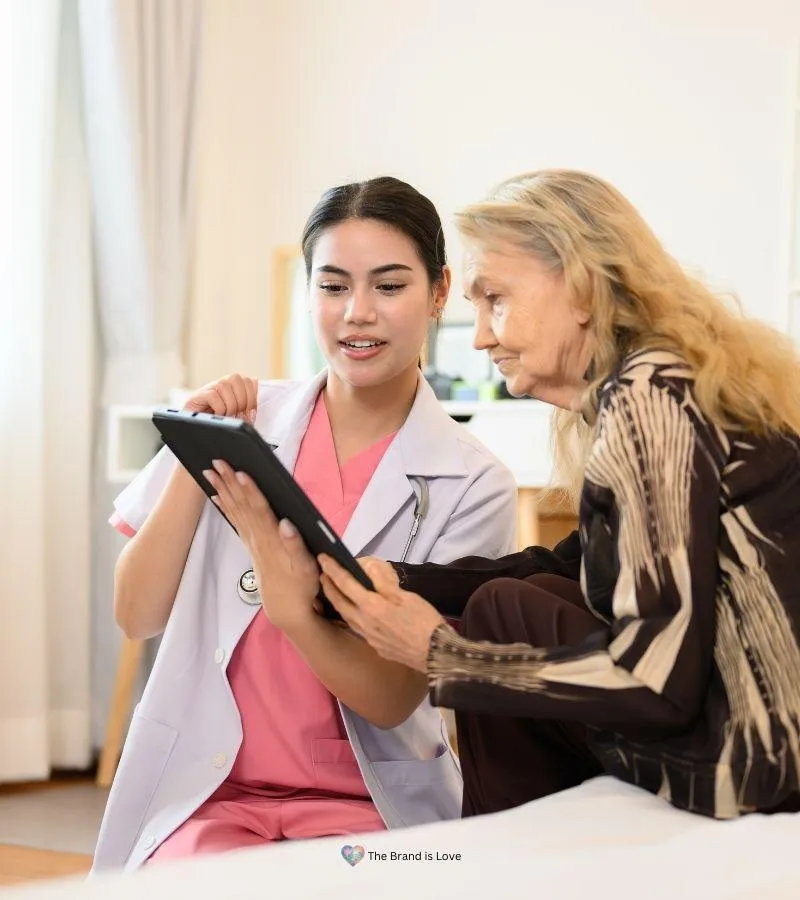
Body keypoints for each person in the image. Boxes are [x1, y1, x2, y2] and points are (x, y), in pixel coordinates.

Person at [316, 168, 800, 821]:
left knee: (502, 611)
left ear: (579, 288)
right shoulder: (662, 384)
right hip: (763, 741)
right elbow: (570, 563)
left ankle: (505, 856)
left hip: (756, 768)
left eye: (496, 300)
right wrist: (402, 580)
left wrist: (440, 653)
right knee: (523, 598)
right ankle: (520, 840)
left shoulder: (650, 404)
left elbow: (656, 685)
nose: (482, 335)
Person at [91, 176, 518, 873]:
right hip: (211, 795)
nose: (357, 315)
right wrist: (194, 452)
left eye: (389, 286)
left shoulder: (474, 483)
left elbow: (390, 697)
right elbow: (136, 613)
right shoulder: (237, 420)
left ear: (440, 292)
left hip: (368, 811)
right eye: (332, 286)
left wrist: (295, 610)